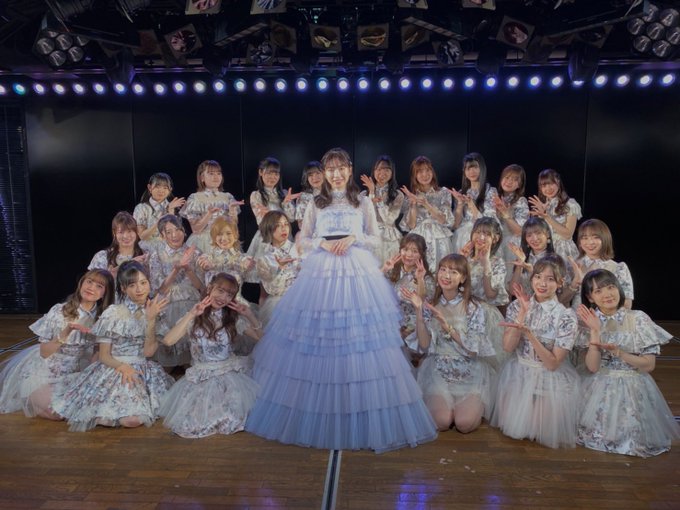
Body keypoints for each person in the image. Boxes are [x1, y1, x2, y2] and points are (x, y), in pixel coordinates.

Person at [245, 147, 437, 452]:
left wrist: (353, 238)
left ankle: (356, 405)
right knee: (320, 339)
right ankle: (321, 407)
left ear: (349, 170)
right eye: (330, 169)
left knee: (358, 341)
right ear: (324, 173)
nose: (336, 174)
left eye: (341, 168)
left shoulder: (362, 201)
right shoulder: (315, 203)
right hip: (321, 273)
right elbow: (302, 240)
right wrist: (322, 243)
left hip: (356, 272)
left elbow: (376, 238)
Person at [51, 261, 174, 431]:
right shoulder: (113, 312)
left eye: (143, 283)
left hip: (142, 368)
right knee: (114, 418)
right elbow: (104, 356)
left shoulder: (156, 310)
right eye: (132, 285)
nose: (139, 289)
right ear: (123, 288)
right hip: (114, 367)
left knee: (132, 421)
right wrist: (123, 367)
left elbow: (148, 352)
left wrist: (151, 319)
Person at [576, 269, 680, 457]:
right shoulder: (588, 321)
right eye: (598, 291)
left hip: (633, 385)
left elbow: (649, 365)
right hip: (599, 386)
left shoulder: (638, 318)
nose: (607, 294)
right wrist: (595, 332)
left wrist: (619, 352)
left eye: (610, 287)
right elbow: (593, 367)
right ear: (590, 297)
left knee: (636, 441)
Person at [158, 273, 262, 438]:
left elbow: (261, 338)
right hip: (201, 377)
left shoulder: (232, 319)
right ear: (209, 288)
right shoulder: (194, 317)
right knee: (193, 422)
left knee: (233, 418)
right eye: (220, 291)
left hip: (229, 376)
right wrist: (191, 314)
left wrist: (249, 315)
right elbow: (168, 341)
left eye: (229, 295)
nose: (224, 298)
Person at [492, 255, 580, 449]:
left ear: (560, 283)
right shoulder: (517, 305)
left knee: (538, 432)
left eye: (550, 279)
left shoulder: (566, 316)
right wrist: (522, 314)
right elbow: (508, 347)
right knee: (517, 430)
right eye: (538, 277)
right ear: (532, 279)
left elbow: (553, 364)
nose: (542, 283)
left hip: (548, 375)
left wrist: (530, 335)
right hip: (520, 372)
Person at [403, 254, 497, 433]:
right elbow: (424, 345)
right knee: (441, 423)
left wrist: (448, 328)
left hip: (469, 374)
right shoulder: (431, 304)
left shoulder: (473, 307)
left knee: (464, 424)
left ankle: (464, 408)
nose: (446, 275)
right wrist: (419, 312)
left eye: (453, 272)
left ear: (463, 278)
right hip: (439, 373)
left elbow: (473, 351)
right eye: (443, 270)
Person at [0, 269, 114, 418]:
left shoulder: (102, 317)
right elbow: (44, 352)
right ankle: (33, 398)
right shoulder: (59, 311)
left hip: (77, 370)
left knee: (80, 408)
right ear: (81, 283)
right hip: (47, 370)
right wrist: (66, 333)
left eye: (99, 286)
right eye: (89, 282)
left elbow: (96, 353)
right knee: (57, 414)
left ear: (105, 293)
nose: (91, 288)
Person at [148, 215, 204, 368]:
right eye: (169, 232)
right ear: (162, 235)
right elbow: (159, 288)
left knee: (191, 356)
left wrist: (188, 269)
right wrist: (176, 270)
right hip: (166, 302)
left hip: (191, 301)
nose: (175, 235)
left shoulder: (195, 252)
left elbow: (201, 286)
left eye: (178, 229)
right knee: (167, 359)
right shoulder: (156, 254)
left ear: (184, 231)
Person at [381, 233, 435, 362]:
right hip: (391, 324)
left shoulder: (426, 278)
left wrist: (420, 279)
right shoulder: (392, 270)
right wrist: (384, 270)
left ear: (421, 254)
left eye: (414, 251)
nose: (408, 254)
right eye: (405, 249)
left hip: (413, 328)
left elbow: (421, 303)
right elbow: (372, 290)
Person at [399, 156, 454, 271]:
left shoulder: (443, 192)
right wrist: (413, 204)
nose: (424, 174)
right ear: (415, 175)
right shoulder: (410, 196)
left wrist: (426, 204)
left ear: (432, 172)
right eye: (420, 171)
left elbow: (444, 220)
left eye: (427, 170)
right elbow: (411, 225)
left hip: (439, 238)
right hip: (418, 239)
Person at [180, 160, 243, 253]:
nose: (216, 177)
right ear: (202, 177)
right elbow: (196, 229)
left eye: (218, 173)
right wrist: (209, 214)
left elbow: (233, 226)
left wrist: (232, 210)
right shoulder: (195, 198)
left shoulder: (228, 197)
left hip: (224, 240)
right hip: (203, 242)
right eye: (211, 173)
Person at [569, 219, 634, 310]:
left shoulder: (619, 268)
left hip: (607, 318)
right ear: (579, 242)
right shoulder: (572, 266)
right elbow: (561, 300)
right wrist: (575, 283)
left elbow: (626, 304)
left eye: (595, 237)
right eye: (585, 238)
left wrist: (602, 317)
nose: (590, 242)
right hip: (575, 317)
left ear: (605, 238)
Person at [256, 211, 301, 326]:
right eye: (278, 225)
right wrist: (280, 268)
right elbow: (271, 290)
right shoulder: (264, 259)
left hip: (303, 301)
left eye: (286, 224)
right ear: (269, 228)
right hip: (280, 306)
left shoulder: (299, 249)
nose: (283, 228)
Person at [449, 152, 498, 254]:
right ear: (464, 172)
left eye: (475, 167)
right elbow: (455, 225)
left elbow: (489, 221)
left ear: (482, 168)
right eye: (468, 168)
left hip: (483, 235)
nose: (472, 171)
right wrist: (460, 204)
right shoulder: (461, 192)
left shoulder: (490, 191)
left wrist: (471, 204)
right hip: (462, 236)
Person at [528, 169, 582, 261]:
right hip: (542, 250)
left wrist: (547, 217)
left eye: (551, 183)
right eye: (544, 185)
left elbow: (568, 234)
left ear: (558, 182)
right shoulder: (540, 205)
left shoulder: (570, 204)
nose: (548, 188)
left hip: (563, 251)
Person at [360, 155, 404, 266]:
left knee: (389, 269)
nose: (382, 173)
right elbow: (363, 218)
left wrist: (379, 202)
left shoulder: (398, 195)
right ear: (374, 171)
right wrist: (371, 193)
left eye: (386, 170)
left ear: (392, 173)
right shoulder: (363, 194)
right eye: (379, 169)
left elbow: (389, 220)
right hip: (369, 236)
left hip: (389, 238)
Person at [492, 164, 529, 285]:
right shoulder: (493, 197)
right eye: (507, 177)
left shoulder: (520, 201)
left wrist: (506, 215)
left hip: (510, 245)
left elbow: (519, 231)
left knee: (508, 282)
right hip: (494, 243)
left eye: (515, 179)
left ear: (519, 185)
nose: (509, 181)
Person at [460, 217, 509, 307]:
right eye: (478, 232)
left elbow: (490, 294)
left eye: (487, 234)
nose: (481, 237)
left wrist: (486, 265)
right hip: (461, 306)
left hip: (483, 309)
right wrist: (460, 260)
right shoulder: (464, 257)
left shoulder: (497, 263)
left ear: (495, 239)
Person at [88, 211, 147, 281]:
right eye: (121, 232)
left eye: (129, 231)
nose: (125, 236)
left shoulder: (145, 256)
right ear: (114, 233)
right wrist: (129, 264)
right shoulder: (102, 257)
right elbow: (93, 283)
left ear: (136, 231)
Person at [133, 173, 186, 248]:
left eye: (165, 188)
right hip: (148, 249)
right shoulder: (141, 208)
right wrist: (159, 221)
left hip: (170, 248)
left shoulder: (174, 207)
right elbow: (142, 236)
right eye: (157, 187)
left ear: (170, 189)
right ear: (149, 187)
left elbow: (176, 235)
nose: (161, 191)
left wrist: (171, 212)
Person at [508, 217, 556, 296]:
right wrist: (520, 265)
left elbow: (556, 294)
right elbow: (513, 291)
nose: (534, 238)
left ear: (547, 234)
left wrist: (531, 271)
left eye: (538, 233)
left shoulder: (555, 260)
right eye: (529, 235)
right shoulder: (523, 257)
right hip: (523, 302)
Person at [295, 161, 324, 232]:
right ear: (307, 178)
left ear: (324, 174)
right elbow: (301, 225)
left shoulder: (334, 193)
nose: (314, 177)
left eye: (317, 173)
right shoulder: (303, 197)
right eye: (310, 175)